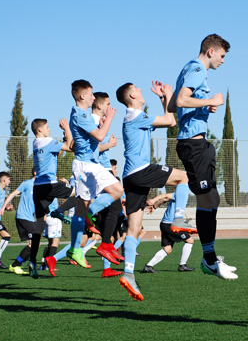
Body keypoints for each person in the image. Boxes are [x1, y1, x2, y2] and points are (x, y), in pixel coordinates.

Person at [168, 34, 238, 280]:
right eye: (222, 56)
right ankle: (209, 260)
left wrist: (202, 106)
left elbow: (174, 105)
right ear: (211, 51)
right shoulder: (197, 69)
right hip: (193, 146)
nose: (223, 61)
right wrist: (210, 100)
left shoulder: (189, 68)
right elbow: (181, 100)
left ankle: (210, 256)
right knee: (207, 199)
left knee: (213, 199)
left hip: (199, 144)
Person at [115, 80, 192, 300]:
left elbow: (169, 118)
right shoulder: (136, 116)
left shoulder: (134, 117)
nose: (141, 91)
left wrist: (163, 99)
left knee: (134, 229)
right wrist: (167, 95)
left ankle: (128, 273)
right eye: (137, 90)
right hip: (141, 171)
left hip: (130, 177)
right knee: (184, 177)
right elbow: (171, 120)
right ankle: (178, 219)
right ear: (131, 97)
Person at [68, 79, 124, 268]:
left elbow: (78, 142)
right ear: (83, 96)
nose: (93, 97)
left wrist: (101, 124)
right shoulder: (79, 113)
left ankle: (88, 215)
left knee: (117, 190)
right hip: (85, 167)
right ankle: (75, 249)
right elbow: (100, 137)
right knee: (81, 208)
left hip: (92, 165)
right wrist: (108, 119)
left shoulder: (82, 114)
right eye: (91, 94)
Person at [29, 117, 75, 278]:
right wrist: (67, 129)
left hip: (38, 188)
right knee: (80, 193)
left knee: (39, 226)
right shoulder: (48, 141)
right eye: (47, 127)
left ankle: (32, 261)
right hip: (50, 184)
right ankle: (59, 211)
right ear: (39, 130)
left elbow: (56, 152)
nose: (49, 130)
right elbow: (71, 147)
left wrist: (61, 140)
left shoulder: (36, 143)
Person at [142, 193, 195, 273]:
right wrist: (153, 200)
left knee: (168, 249)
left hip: (165, 224)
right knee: (190, 240)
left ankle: (149, 266)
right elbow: (165, 196)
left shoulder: (179, 195)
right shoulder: (180, 193)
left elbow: (164, 200)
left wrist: (155, 206)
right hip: (170, 225)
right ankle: (182, 265)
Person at [0, 168, 36, 275]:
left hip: (31, 218)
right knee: (33, 243)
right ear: (35, 172)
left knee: (34, 244)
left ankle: (19, 264)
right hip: (23, 216)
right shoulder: (27, 183)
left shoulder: (42, 186)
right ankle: (15, 265)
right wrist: (3, 207)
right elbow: (12, 194)